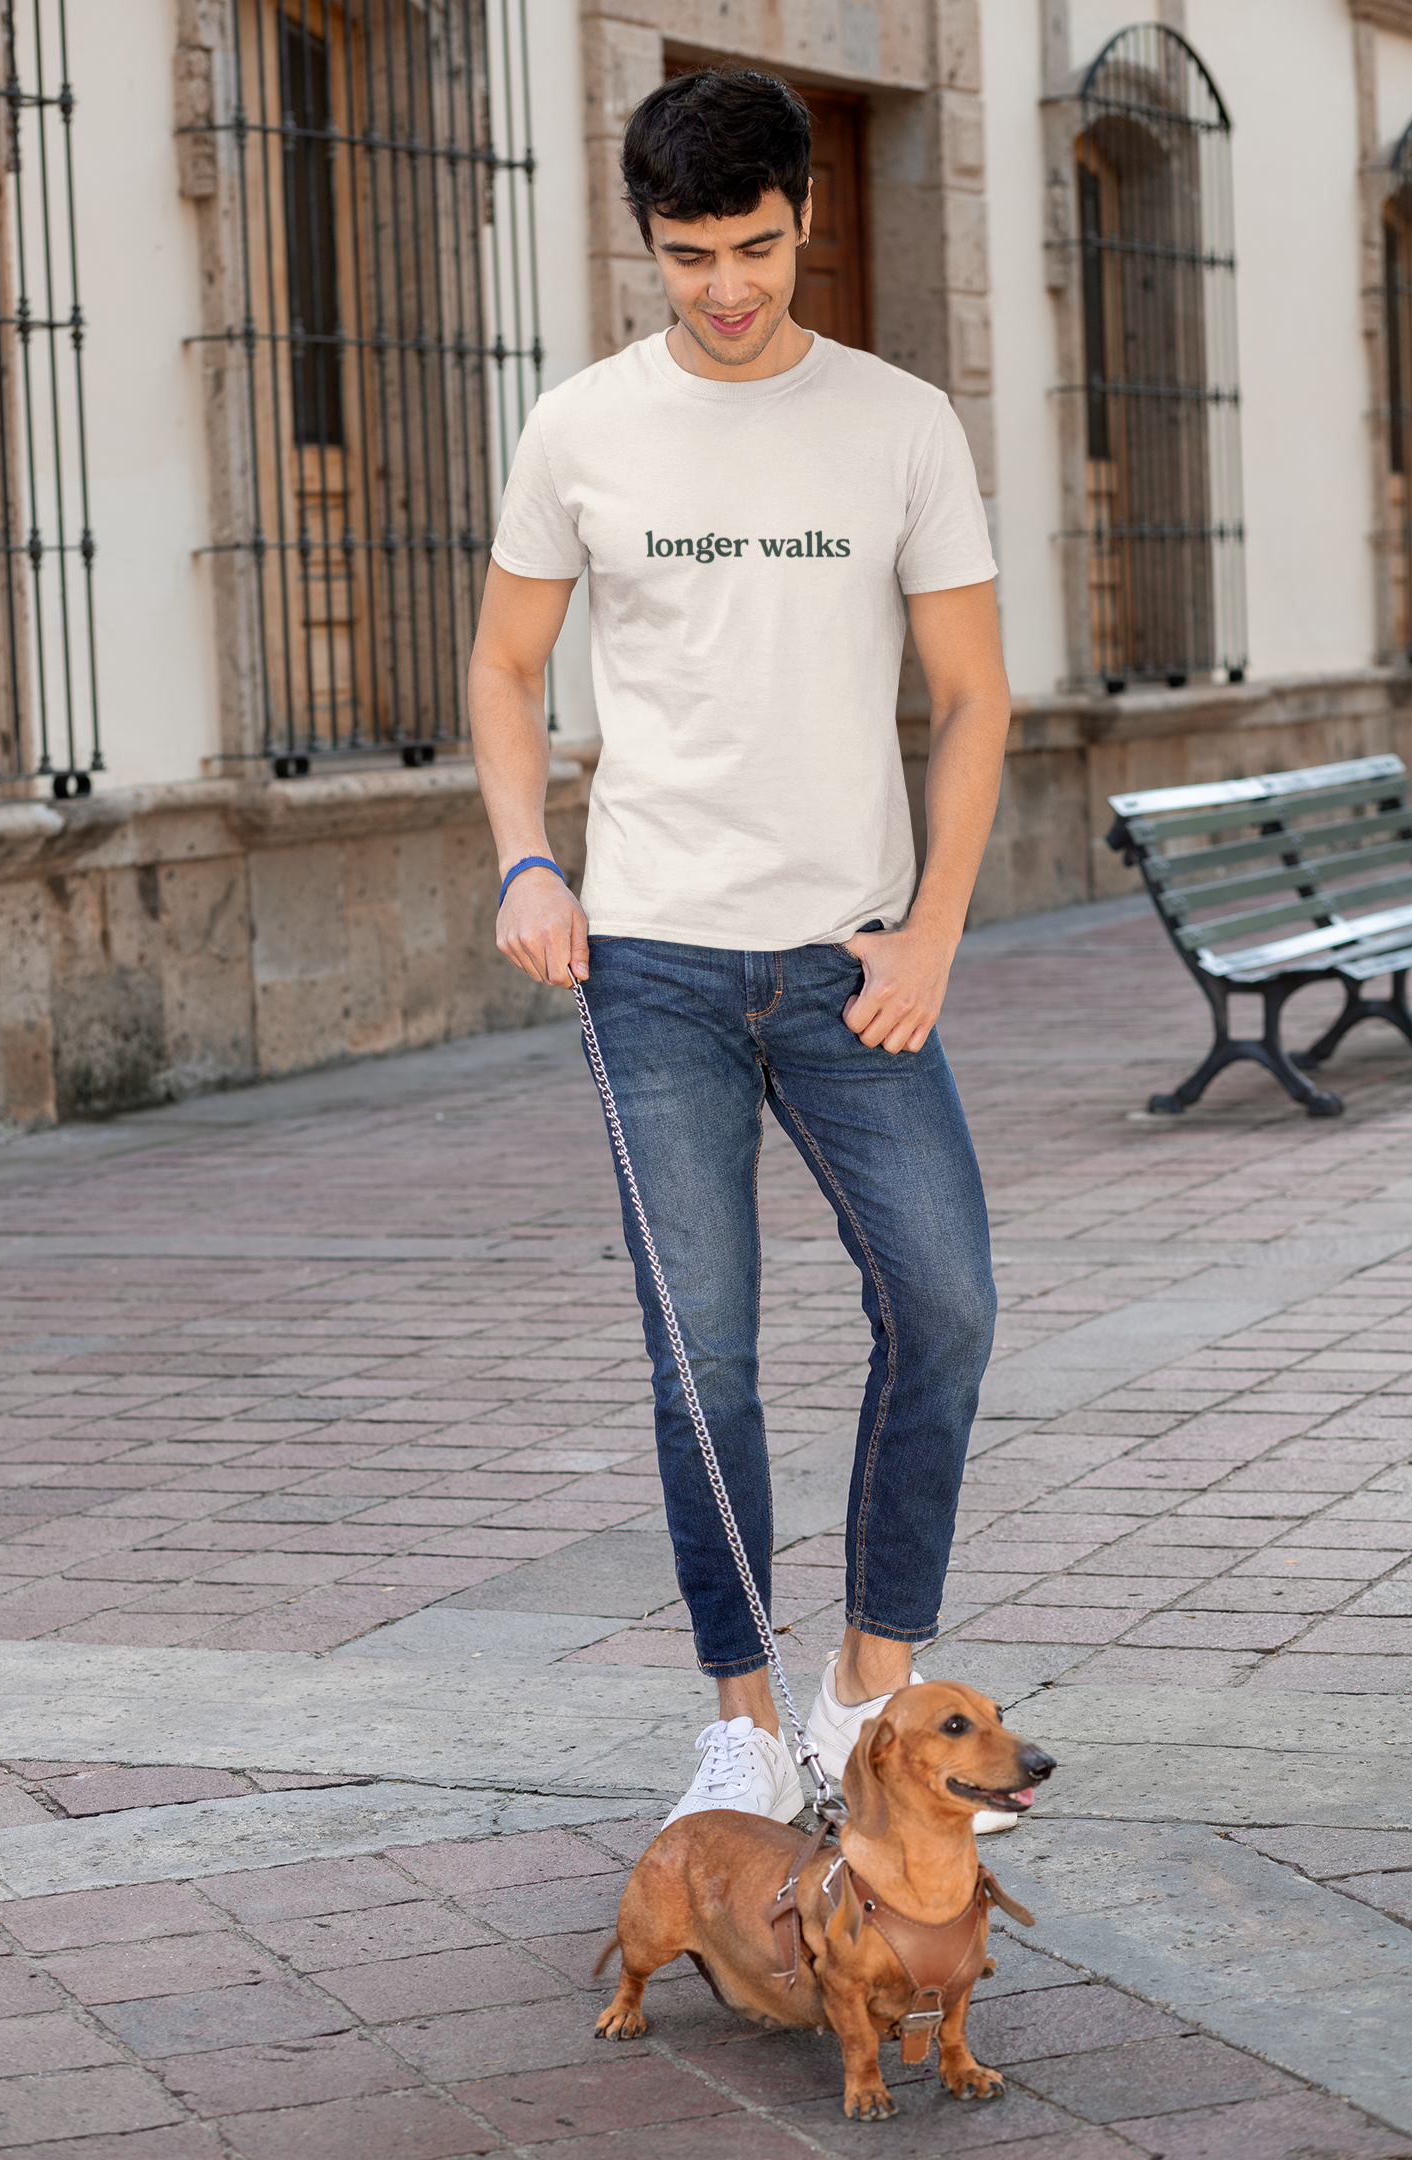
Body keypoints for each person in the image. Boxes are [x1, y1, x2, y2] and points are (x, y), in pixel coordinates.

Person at [468, 69, 1013, 1834]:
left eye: (758, 248)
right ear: (648, 238)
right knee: (702, 1351)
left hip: (854, 961)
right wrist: (527, 861)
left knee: (945, 1302)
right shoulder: (582, 429)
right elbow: (501, 669)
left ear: (803, 221)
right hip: (649, 961)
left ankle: (873, 1672)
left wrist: (932, 928)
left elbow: (974, 696)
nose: (726, 287)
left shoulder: (900, 422)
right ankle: (740, 1715)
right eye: (690, 255)